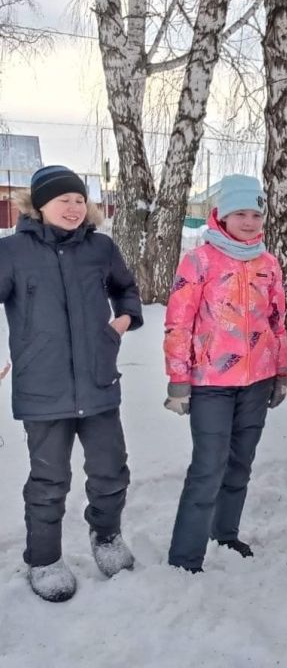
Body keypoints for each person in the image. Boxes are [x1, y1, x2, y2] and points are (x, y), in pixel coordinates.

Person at [0, 165, 143, 602]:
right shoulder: (12, 252)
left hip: (98, 382)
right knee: (48, 481)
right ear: (39, 205)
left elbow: (126, 289)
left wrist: (120, 323)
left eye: (80, 200)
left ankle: (106, 536)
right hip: (42, 388)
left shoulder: (100, 247)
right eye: (63, 200)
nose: (73, 207)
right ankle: (43, 560)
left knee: (110, 470)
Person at [164, 175, 287, 573]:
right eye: (241, 213)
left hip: (258, 381)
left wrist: (280, 371)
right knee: (208, 465)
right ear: (222, 214)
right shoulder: (198, 261)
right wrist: (178, 378)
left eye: (255, 213)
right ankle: (185, 557)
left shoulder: (269, 263)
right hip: (211, 383)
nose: (249, 221)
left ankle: (226, 533)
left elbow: (277, 320)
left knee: (240, 463)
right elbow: (178, 323)